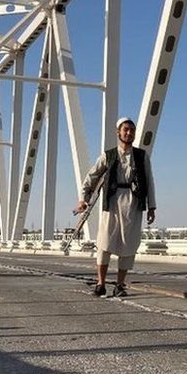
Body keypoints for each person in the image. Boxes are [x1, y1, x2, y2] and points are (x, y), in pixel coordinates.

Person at [77, 118, 156, 298]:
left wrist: (151, 206)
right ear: (118, 132)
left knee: (129, 245)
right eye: (126, 130)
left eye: (132, 130)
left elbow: (150, 182)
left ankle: (120, 285)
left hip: (134, 203)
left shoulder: (142, 156)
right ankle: (101, 283)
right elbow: (91, 177)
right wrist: (83, 199)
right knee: (104, 243)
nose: (129, 133)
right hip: (111, 203)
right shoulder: (108, 155)